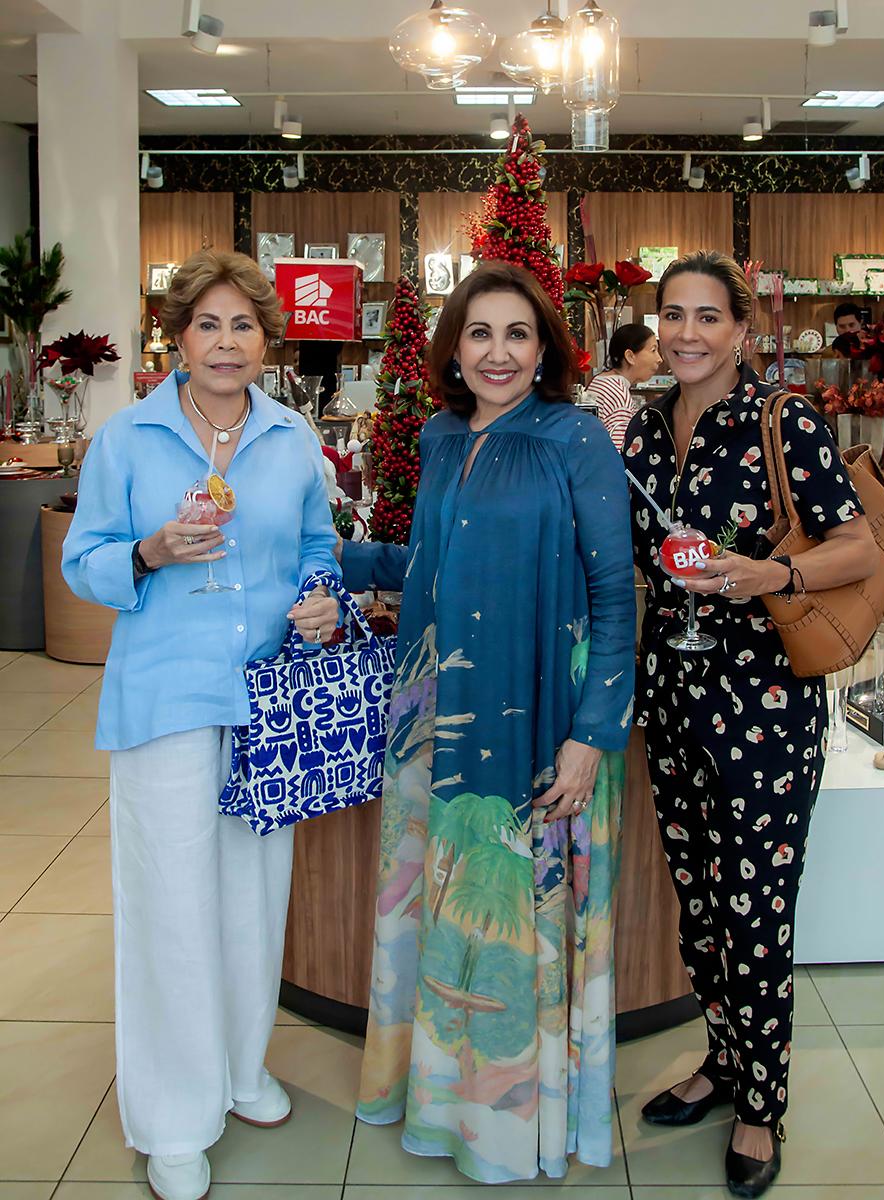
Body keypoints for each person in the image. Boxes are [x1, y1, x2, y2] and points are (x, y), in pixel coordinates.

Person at [341, 261, 636, 1183]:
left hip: (542, 721)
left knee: (515, 920)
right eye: (479, 333)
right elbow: (429, 554)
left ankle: (517, 1124)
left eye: (517, 334)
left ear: (544, 346)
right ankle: (440, 1103)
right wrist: (328, 555)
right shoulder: (436, 435)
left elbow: (616, 595)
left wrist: (592, 735)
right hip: (437, 719)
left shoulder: (574, 437)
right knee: (443, 913)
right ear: (454, 348)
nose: (498, 352)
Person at [62, 249, 340, 1200]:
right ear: (176, 337)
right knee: (171, 906)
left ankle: (237, 1066)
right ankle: (176, 1116)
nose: (226, 344)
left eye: (244, 326)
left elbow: (317, 544)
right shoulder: (127, 438)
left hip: (267, 697)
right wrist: (143, 551)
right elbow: (83, 560)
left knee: (255, 896)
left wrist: (321, 595)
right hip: (165, 699)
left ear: (267, 339)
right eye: (208, 325)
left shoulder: (291, 437)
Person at [623, 251, 877, 1198]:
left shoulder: (783, 420)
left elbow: (854, 543)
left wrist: (773, 574)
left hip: (763, 705)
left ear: (740, 329)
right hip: (674, 697)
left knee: (757, 909)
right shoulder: (645, 432)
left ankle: (762, 1104)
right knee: (699, 903)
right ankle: (721, 1062)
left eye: (706, 317)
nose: (687, 334)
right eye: (672, 316)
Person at [586, 323, 662, 451]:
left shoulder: (601, 380)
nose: (659, 359)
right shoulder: (618, 392)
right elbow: (620, 452)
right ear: (630, 357)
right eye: (653, 350)